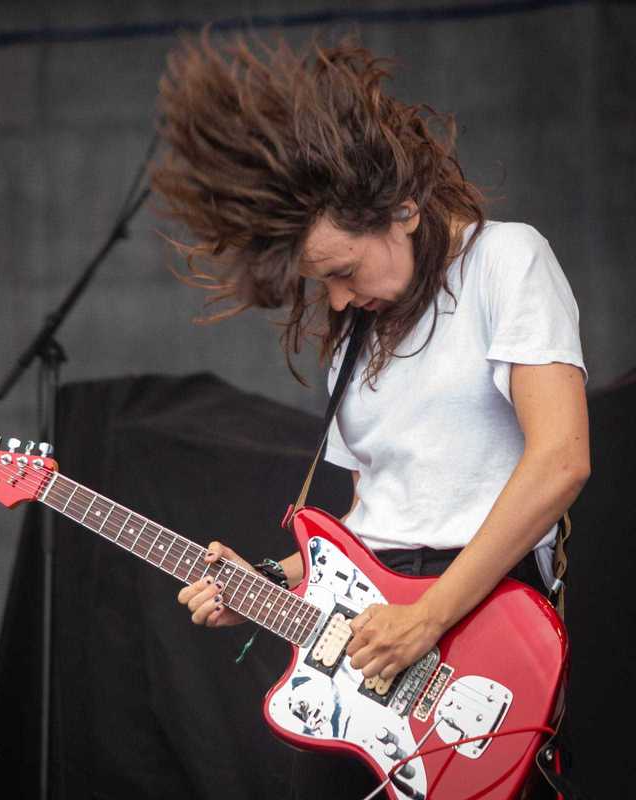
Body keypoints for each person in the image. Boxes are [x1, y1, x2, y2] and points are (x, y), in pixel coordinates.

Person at [151, 31, 589, 800]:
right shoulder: (358, 343)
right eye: (324, 285)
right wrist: (261, 580)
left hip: (478, 623)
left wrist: (432, 616)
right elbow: (369, 527)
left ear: (403, 209)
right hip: (366, 645)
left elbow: (561, 461)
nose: (342, 301)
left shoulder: (507, 261)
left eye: (344, 272)